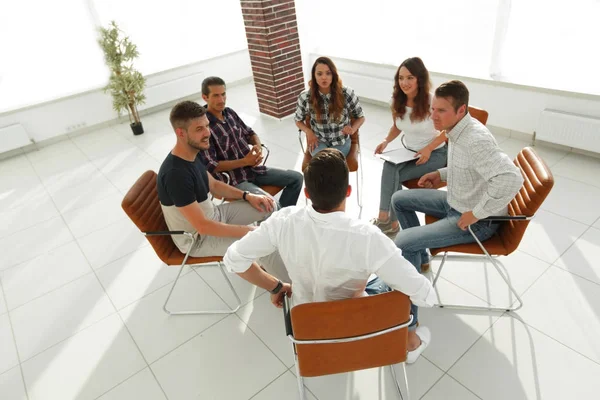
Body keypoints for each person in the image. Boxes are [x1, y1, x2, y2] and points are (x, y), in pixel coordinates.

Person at [224, 149, 437, 364]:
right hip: (356, 327)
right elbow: (425, 295)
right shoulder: (369, 237)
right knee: (396, 271)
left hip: (305, 328)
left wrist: (276, 286)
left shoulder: (283, 221)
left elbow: (233, 259)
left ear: (307, 194)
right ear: (348, 191)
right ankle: (410, 344)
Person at [392, 80, 524, 272]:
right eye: (433, 109)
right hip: (457, 201)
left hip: (477, 221)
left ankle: (410, 297)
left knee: (403, 241)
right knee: (398, 199)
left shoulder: (475, 139)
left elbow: (511, 178)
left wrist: (476, 214)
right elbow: (469, 167)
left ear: (461, 110)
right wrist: (440, 174)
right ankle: (420, 261)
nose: (433, 116)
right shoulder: (456, 129)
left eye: (441, 111)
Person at [157, 100, 289, 282]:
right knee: (258, 241)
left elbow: (214, 185)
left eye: (207, 126)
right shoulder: (175, 175)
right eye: (199, 129)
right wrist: (248, 231)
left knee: (268, 204)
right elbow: (203, 226)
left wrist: (247, 196)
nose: (207, 133)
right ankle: (297, 289)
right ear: (180, 133)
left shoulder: (192, 153)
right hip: (198, 239)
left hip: (214, 215)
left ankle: (279, 261)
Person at [198, 76, 303, 208]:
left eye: (223, 94)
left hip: (253, 170)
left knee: (296, 178)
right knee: (270, 205)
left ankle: (280, 219)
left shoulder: (229, 113)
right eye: (216, 96)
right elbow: (212, 165)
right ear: (205, 97)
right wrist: (245, 161)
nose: (221, 99)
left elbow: (250, 133)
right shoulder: (204, 126)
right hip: (234, 180)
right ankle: (280, 221)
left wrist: (257, 147)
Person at [372, 57, 447, 239]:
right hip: (409, 153)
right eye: (401, 78)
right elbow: (398, 125)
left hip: (436, 153)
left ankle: (386, 220)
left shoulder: (432, 101)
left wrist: (429, 149)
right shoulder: (396, 101)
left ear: (420, 79)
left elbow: (447, 131)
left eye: (410, 77)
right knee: (390, 166)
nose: (404, 82)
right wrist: (386, 141)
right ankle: (389, 220)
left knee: (392, 174)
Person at [294, 57, 365, 157]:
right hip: (318, 141)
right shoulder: (305, 97)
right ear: (314, 76)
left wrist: (352, 129)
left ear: (333, 75)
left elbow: (361, 117)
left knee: (332, 163)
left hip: (341, 142)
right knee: (324, 163)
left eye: (328, 73)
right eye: (319, 74)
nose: (324, 77)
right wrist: (308, 131)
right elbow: (298, 120)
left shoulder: (347, 93)